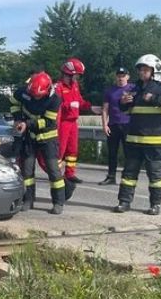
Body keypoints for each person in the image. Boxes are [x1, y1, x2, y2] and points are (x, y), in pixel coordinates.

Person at [113, 54, 161, 216]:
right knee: (128, 174)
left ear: (155, 70)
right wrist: (123, 103)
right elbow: (125, 109)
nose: (142, 73)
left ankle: (155, 204)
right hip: (134, 139)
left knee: (155, 175)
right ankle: (124, 202)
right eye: (140, 70)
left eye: (145, 70)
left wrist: (155, 99)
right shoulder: (134, 89)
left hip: (155, 141)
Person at [9, 71, 66, 215]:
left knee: (53, 171)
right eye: (33, 94)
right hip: (29, 137)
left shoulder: (55, 100)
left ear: (47, 90)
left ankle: (58, 202)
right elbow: (14, 102)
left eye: (38, 95)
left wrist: (27, 124)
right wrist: (17, 118)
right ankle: (28, 199)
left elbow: (48, 122)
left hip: (47, 137)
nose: (35, 97)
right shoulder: (23, 92)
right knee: (27, 171)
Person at [52, 57, 100, 184]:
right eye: (77, 75)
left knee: (72, 150)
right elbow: (55, 105)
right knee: (60, 150)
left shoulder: (74, 85)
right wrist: (69, 105)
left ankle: (70, 173)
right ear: (69, 74)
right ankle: (56, 173)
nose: (78, 78)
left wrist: (91, 108)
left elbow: (79, 102)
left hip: (73, 122)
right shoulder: (58, 87)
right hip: (62, 122)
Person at [99, 67, 134, 185]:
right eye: (118, 76)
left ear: (127, 77)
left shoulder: (133, 88)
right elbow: (105, 109)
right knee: (112, 152)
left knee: (128, 152)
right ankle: (111, 176)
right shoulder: (110, 91)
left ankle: (128, 176)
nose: (120, 78)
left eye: (123, 76)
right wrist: (104, 125)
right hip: (113, 124)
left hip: (128, 125)